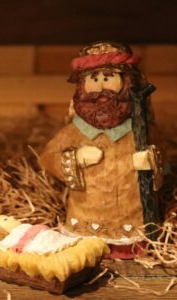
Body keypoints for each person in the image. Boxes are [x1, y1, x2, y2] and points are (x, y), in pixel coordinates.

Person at [39, 41, 164, 258]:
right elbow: (47, 159)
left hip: (131, 219)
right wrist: (75, 158)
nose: (100, 88)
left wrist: (151, 161)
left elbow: (165, 162)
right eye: (94, 79)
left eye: (108, 77)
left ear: (126, 83)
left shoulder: (141, 130)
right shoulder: (73, 132)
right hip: (86, 218)